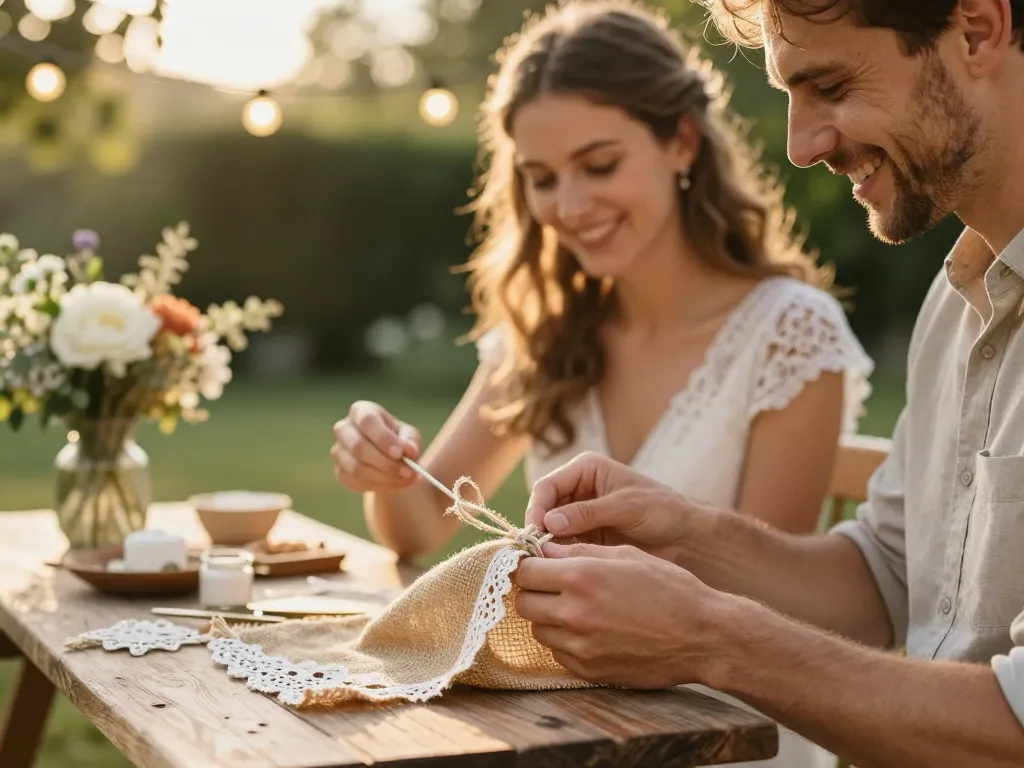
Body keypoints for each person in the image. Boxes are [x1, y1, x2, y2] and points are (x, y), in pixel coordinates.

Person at [330, 3, 871, 765]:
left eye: (599, 165)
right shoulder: (545, 330)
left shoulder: (790, 333)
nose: (570, 207)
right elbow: (418, 526)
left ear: (680, 140)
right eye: (541, 179)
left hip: (726, 739)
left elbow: (768, 605)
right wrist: (380, 461)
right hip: (571, 727)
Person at [512, 0, 1024, 766]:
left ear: (978, 29)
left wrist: (709, 638)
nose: (801, 144)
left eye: (831, 85)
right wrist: (686, 532)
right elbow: (881, 577)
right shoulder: (957, 300)